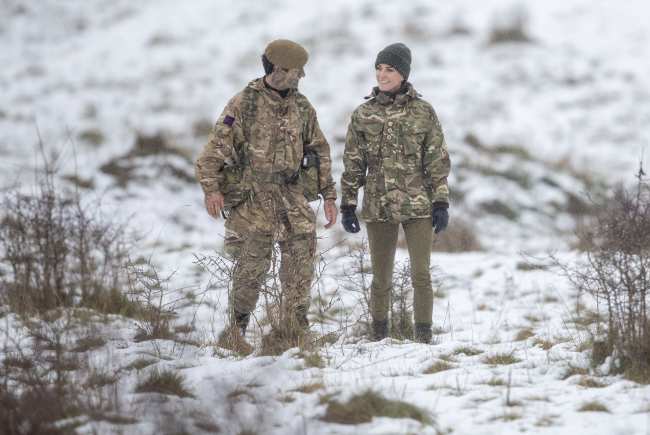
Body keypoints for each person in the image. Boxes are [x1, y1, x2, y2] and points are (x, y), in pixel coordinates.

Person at [195, 39, 338, 352]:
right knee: (250, 267)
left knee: (300, 265)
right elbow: (215, 149)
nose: (300, 77)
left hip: (292, 195)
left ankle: (295, 330)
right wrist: (211, 189)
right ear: (278, 69)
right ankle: (236, 331)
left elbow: (320, 150)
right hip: (253, 198)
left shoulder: (302, 106)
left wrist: (328, 196)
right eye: (296, 72)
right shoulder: (243, 103)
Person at [340, 42, 451, 344]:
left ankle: (423, 338)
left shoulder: (423, 112)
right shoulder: (363, 115)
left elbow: (436, 161)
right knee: (381, 278)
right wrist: (348, 204)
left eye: (389, 69)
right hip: (378, 206)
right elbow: (352, 163)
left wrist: (441, 201)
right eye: (378, 68)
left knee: (421, 275)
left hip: (418, 205)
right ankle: (379, 336)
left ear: (402, 73)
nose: (382, 75)